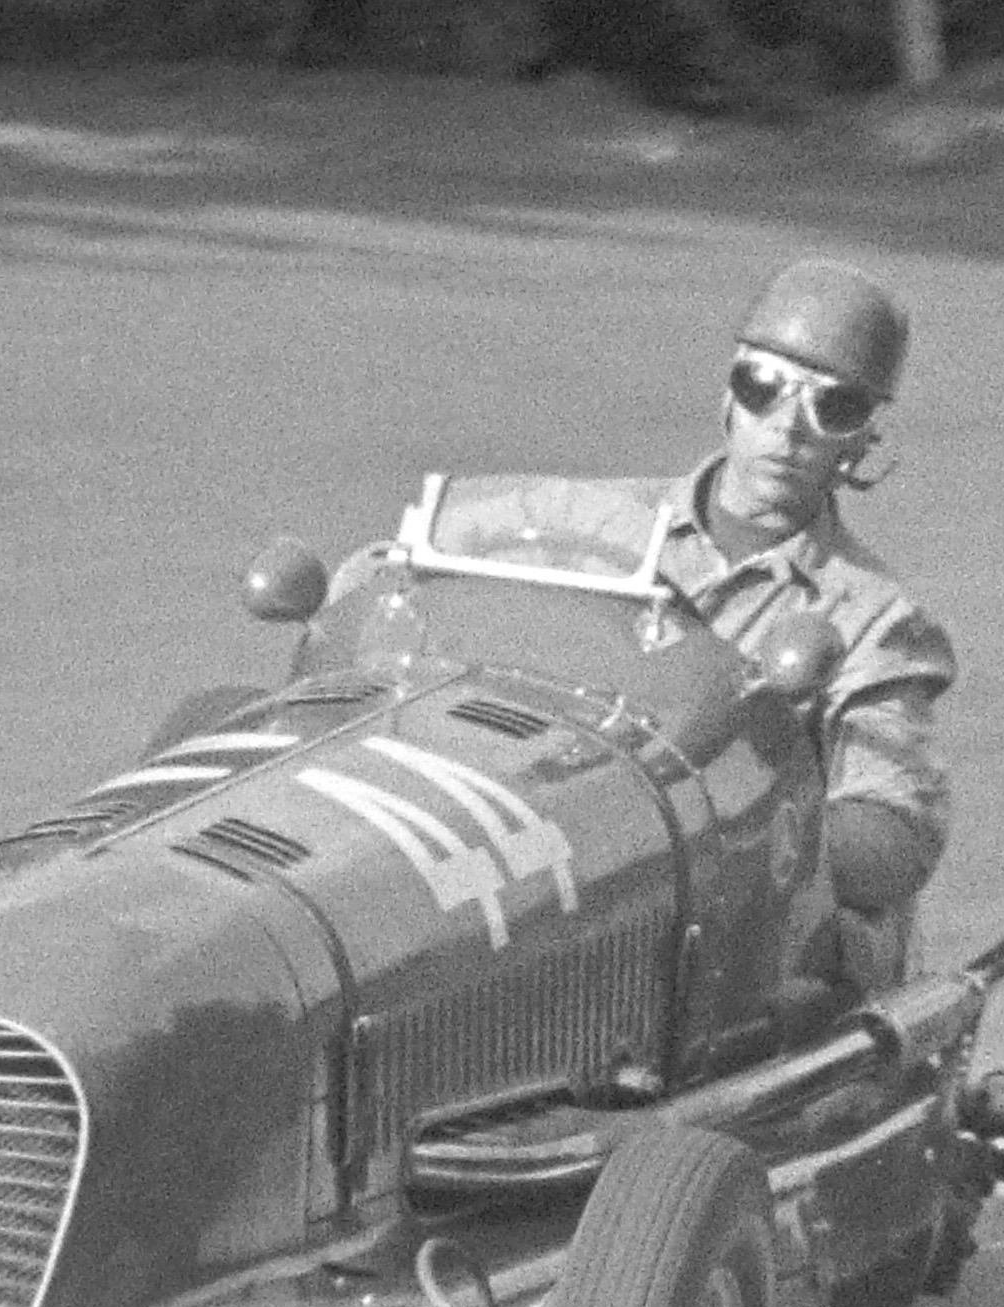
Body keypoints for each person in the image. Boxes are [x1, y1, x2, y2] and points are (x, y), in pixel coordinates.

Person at [400, 257, 958, 987]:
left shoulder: (872, 618)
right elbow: (407, 564)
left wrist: (747, 835)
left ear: (861, 439)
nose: (788, 426)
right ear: (728, 395)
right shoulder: (590, 521)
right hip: (552, 861)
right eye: (762, 386)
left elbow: (895, 831)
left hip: (724, 945)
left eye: (835, 407)